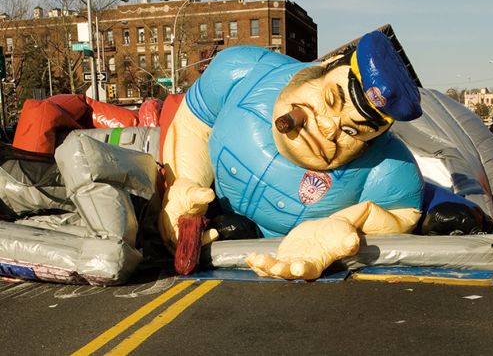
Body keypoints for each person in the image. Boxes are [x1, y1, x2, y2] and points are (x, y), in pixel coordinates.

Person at [159, 31, 427, 280]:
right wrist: (186, 182)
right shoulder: (245, 70)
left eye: (351, 130)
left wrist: (342, 225)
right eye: (331, 99)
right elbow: (195, 123)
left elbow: (402, 214)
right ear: (326, 66)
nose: (328, 127)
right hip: (219, 210)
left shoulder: (389, 166)